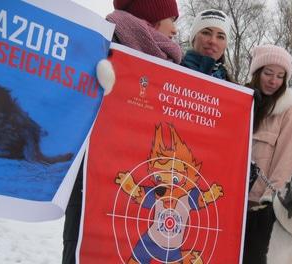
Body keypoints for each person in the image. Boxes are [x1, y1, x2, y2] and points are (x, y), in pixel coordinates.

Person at [62, 0, 182, 263]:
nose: (175, 29)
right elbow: (62, 94)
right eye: (171, 19)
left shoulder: (171, 65)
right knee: (85, 248)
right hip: (92, 177)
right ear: (152, 16)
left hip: (138, 178)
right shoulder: (103, 42)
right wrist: (91, 85)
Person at [242, 44, 292, 263]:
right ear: (256, 72)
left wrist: (271, 203)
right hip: (227, 199)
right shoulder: (239, 100)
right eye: (268, 73)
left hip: (258, 206)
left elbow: (288, 159)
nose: (273, 81)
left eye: (280, 76)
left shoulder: (289, 111)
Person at [180, 9, 233, 81]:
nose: (213, 41)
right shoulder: (170, 69)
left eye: (220, 37)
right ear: (193, 38)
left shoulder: (232, 87)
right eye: (206, 33)